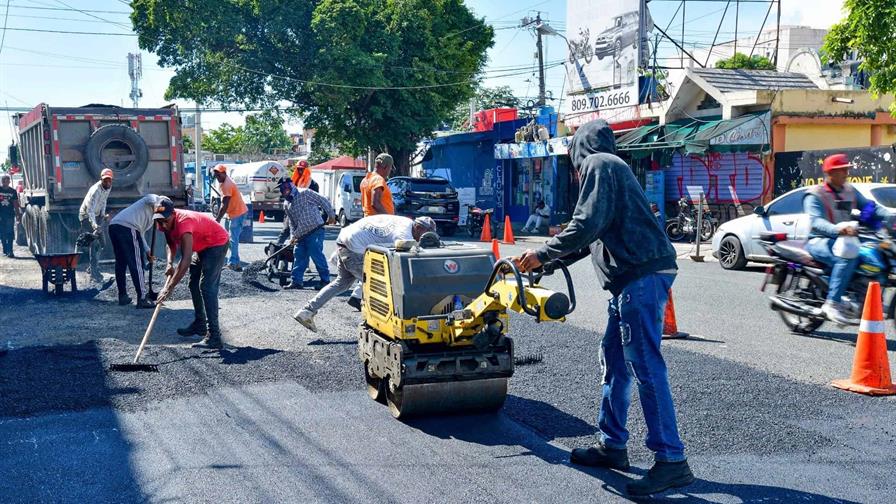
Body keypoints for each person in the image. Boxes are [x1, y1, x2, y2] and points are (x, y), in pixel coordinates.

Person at [514, 119, 692, 497]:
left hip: (640, 278)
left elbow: (585, 224)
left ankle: (672, 461)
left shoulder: (599, 165)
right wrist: (544, 263)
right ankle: (613, 445)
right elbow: (591, 236)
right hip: (633, 279)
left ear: (580, 148)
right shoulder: (613, 167)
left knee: (645, 365)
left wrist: (542, 252)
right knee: (614, 360)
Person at [293, 215, 437, 332]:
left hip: (346, 240)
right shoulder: (404, 235)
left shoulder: (407, 222)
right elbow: (405, 260)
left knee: (341, 284)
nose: (423, 239)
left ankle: (307, 311)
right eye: (425, 234)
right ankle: (379, 325)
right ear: (418, 228)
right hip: (354, 248)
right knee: (381, 285)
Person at [804, 153, 890, 324]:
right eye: (841, 170)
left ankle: (859, 296)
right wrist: (838, 229)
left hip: (847, 239)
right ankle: (832, 303)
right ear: (830, 173)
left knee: (874, 254)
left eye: (846, 169)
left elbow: (870, 208)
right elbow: (816, 222)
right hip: (820, 240)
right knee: (848, 256)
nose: (846, 173)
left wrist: (890, 216)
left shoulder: (849, 190)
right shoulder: (814, 194)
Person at [154, 199, 230, 349]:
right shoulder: (163, 221)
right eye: (159, 221)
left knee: (207, 287)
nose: (163, 225)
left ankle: (214, 336)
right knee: (193, 283)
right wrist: (169, 263)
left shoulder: (184, 223)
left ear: (173, 214)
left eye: (165, 221)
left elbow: (186, 260)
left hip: (216, 242)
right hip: (202, 244)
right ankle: (200, 324)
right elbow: (170, 243)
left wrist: (168, 288)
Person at [108, 194, 167, 308]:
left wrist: (147, 251)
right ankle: (142, 298)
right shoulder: (154, 198)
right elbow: (151, 199)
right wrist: (158, 206)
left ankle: (123, 296)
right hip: (128, 228)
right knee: (137, 263)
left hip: (115, 226)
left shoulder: (150, 219)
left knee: (121, 263)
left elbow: (140, 235)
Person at [277, 178, 336, 290]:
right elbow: (292, 223)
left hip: (315, 230)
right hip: (301, 235)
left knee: (316, 254)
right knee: (299, 255)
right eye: (282, 188)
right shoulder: (286, 204)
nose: (285, 190)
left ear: (291, 186)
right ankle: (296, 281)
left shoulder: (305, 193)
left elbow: (322, 200)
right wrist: (293, 237)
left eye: (286, 187)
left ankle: (325, 280)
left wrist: (331, 215)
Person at [79, 168, 114, 282]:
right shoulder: (95, 191)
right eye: (105, 180)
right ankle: (94, 273)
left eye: (109, 180)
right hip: (86, 217)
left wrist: (103, 215)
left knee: (102, 243)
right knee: (94, 244)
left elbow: (104, 201)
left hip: (97, 216)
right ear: (101, 180)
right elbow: (90, 211)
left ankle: (91, 267)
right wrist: (94, 225)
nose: (107, 183)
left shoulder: (108, 188)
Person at [212, 164, 249, 271]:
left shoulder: (227, 184)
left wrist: (218, 219)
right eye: (216, 176)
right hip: (232, 213)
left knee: (233, 239)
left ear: (224, 173)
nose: (217, 177)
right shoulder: (223, 182)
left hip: (238, 213)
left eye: (219, 175)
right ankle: (236, 262)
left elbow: (225, 204)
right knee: (228, 238)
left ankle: (233, 262)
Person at [0, 175, 22, 257]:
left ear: (9, 182)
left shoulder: (13, 191)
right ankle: (5, 249)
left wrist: (18, 214)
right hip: (1, 215)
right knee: (2, 233)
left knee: (10, 232)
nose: (6, 182)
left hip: (9, 215)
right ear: (2, 181)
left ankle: (10, 251)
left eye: (7, 181)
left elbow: (15, 203)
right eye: (4, 181)